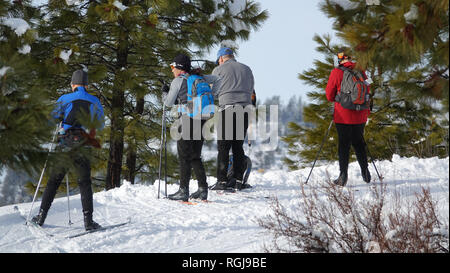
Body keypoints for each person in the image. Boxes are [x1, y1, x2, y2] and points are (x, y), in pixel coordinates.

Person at [31, 69, 104, 231]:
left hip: (65, 143)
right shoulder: (95, 101)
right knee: (84, 183)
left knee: (54, 181)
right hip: (84, 144)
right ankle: (88, 222)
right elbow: (100, 124)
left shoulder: (65, 99)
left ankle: (41, 217)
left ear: (72, 84)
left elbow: (52, 120)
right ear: (86, 85)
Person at [163, 54, 218, 202]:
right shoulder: (200, 79)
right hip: (202, 120)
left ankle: (183, 190)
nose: (172, 70)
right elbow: (218, 79)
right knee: (195, 155)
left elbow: (168, 103)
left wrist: (164, 92)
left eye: (173, 67)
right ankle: (202, 189)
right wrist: (214, 92)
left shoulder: (178, 80)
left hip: (186, 120)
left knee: (184, 156)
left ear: (179, 67)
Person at [209, 47, 255, 191]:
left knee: (224, 146)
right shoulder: (247, 69)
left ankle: (222, 181)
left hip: (227, 109)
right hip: (244, 110)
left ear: (221, 58)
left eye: (218, 61)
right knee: (237, 146)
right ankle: (238, 180)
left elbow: (212, 92)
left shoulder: (218, 71)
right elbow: (252, 89)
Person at [325, 49, 371, 186]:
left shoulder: (336, 72)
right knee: (359, 143)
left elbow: (329, 95)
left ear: (340, 59)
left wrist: (340, 99)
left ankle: (343, 176)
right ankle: (366, 173)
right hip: (360, 114)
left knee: (344, 145)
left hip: (343, 115)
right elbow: (367, 91)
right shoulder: (362, 71)